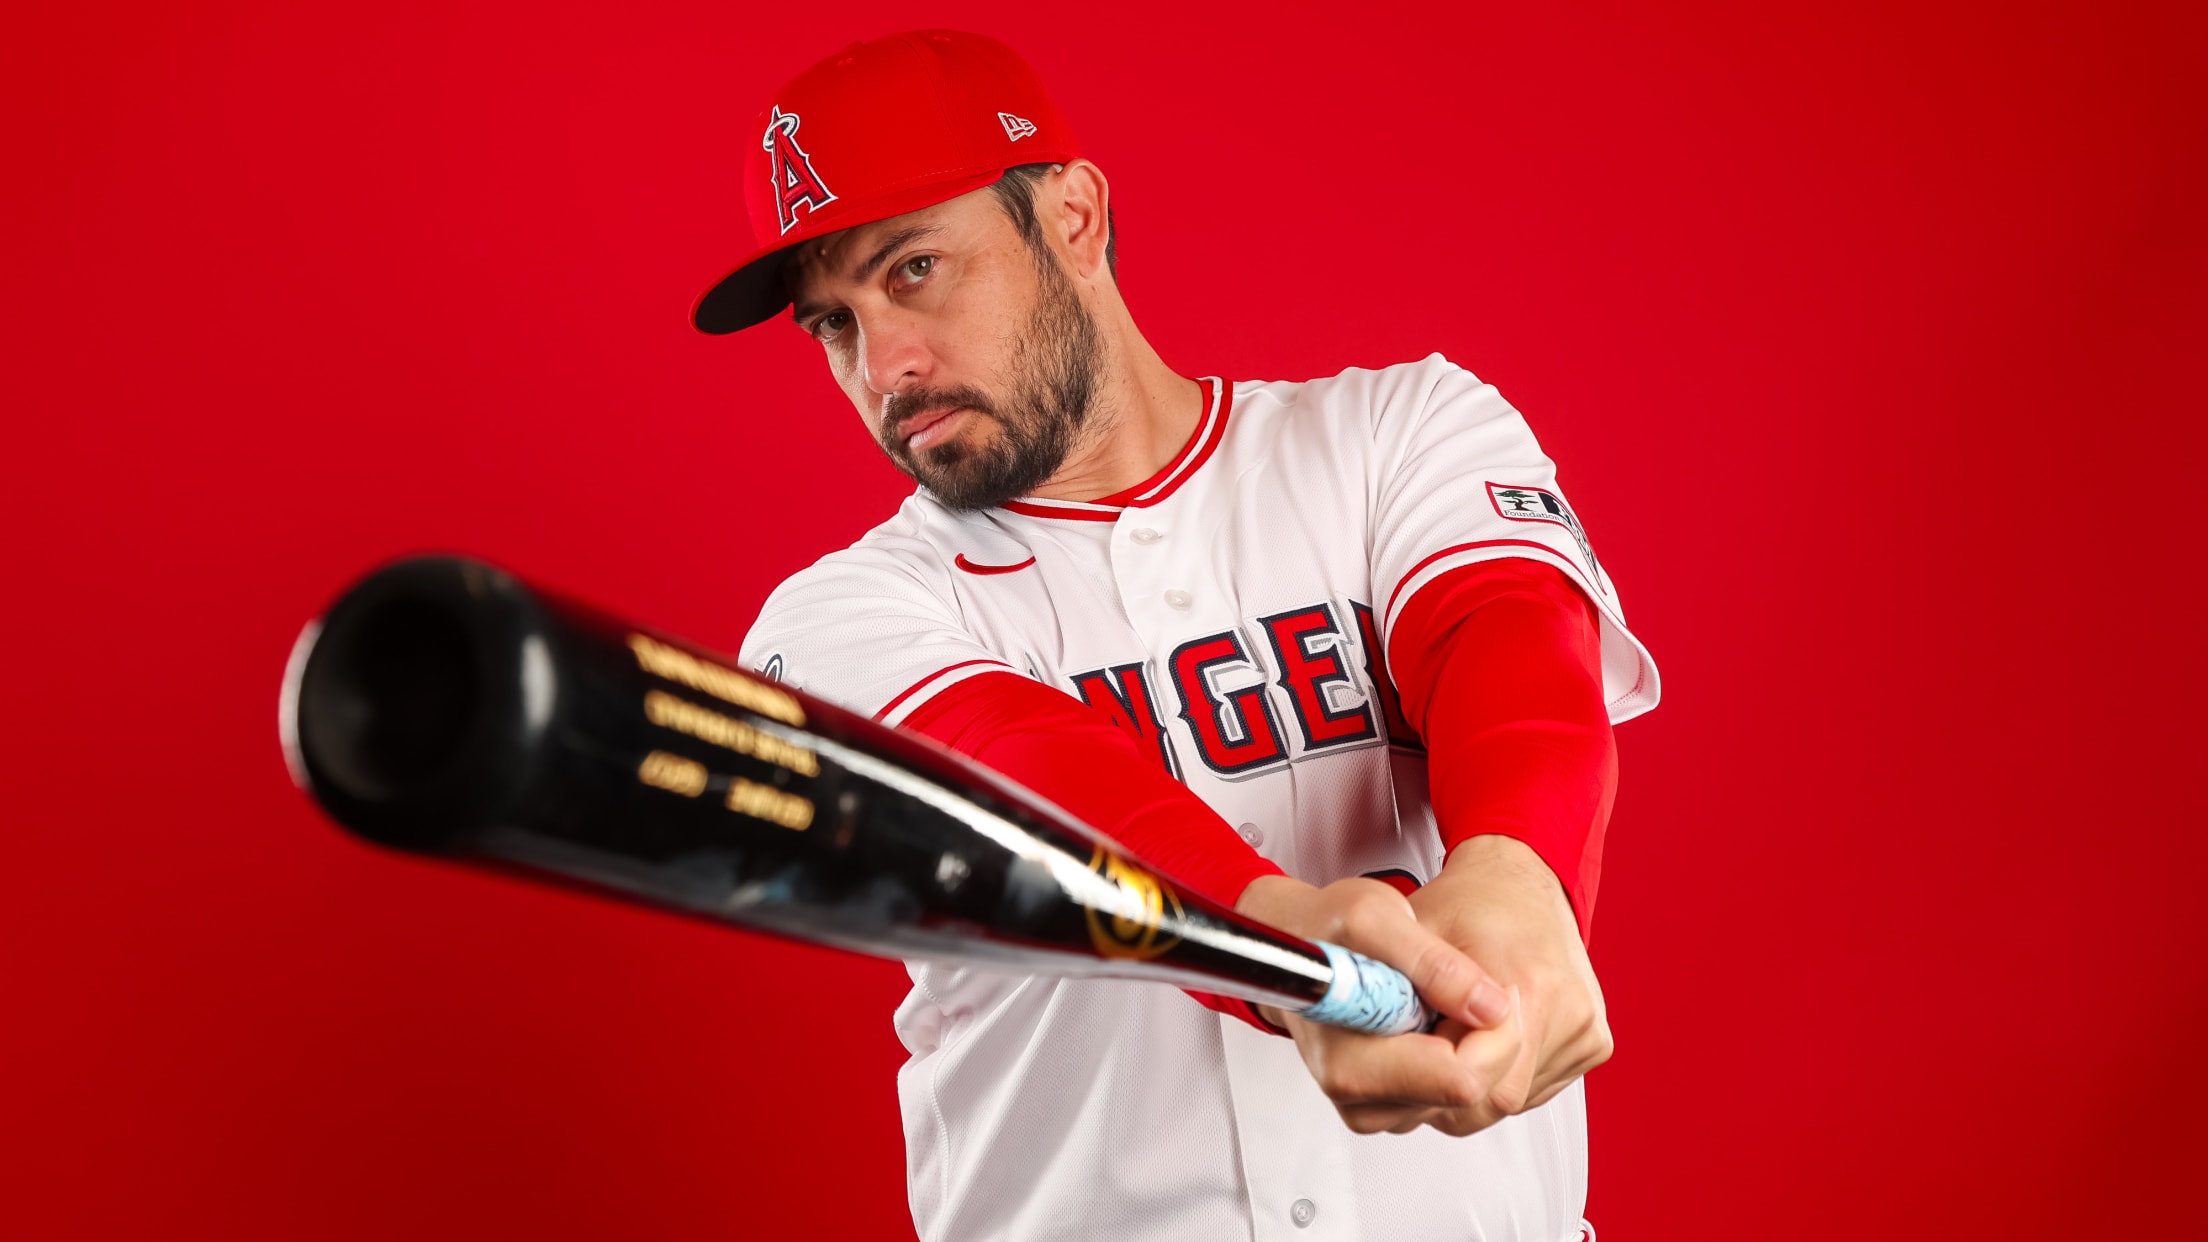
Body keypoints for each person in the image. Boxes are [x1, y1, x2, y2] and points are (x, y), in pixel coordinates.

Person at [695, 29, 1660, 1242]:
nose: (885, 365)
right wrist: (1284, 948)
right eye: (831, 325)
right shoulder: (840, 617)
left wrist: (1521, 880)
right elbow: (1028, 781)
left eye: (915, 269)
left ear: (1076, 220)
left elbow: (1507, 642)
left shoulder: (1398, 435)